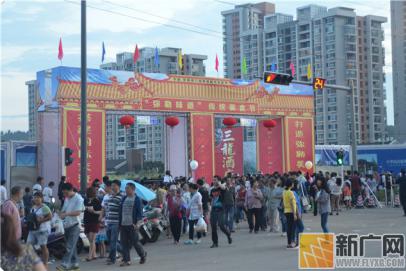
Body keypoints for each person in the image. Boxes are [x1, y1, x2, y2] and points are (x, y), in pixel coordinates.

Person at [56, 183, 85, 271]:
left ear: (71, 190)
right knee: (72, 246)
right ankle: (75, 264)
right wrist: (60, 213)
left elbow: (78, 212)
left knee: (69, 246)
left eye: (66, 193)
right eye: (64, 193)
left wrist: (66, 214)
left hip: (75, 225)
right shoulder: (67, 198)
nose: (65, 195)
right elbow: (64, 209)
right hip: (67, 224)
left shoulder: (79, 199)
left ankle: (64, 265)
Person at [118, 182, 147, 266]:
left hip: (132, 225)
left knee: (135, 242)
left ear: (133, 189)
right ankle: (127, 260)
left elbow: (139, 213)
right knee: (124, 243)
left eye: (128, 188)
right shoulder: (124, 198)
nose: (126, 190)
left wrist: (137, 223)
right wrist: (120, 223)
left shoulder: (137, 199)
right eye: (126, 188)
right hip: (123, 224)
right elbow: (121, 211)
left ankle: (142, 255)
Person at [26, 192, 52, 269]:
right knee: (28, 245)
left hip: (42, 230)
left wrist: (40, 221)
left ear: (41, 198)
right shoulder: (33, 207)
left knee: (43, 246)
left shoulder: (44, 207)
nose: (36, 199)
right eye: (35, 197)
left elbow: (50, 217)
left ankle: (45, 263)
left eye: (38, 197)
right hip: (33, 230)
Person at [103, 179, 122, 265]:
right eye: (112, 185)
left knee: (113, 241)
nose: (112, 187)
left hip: (116, 222)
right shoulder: (109, 196)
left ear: (118, 186)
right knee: (111, 241)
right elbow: (107, 209)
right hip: (109, 221)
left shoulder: (121, 196)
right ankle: (125, 252)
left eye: (114, 185)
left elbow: (122, 210)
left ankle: (112, 258)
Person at [84, 187, 102, 261]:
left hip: (94, 221)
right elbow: (83, 207)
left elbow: (101, 211)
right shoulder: (86, 200)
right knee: (89, 238)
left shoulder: (97, 200)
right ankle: (94, 254)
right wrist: (86, 208)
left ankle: (89, 256)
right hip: (87, 220)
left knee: (92, 239)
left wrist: (93, 211)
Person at [283, 179, 297, 249]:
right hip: (291, 211)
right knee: (292, 228)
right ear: (291, 185)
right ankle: (292, 242)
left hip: (286, 211)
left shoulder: (284, 192)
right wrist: (294, 214)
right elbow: (292, 203)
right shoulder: (290, 193)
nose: (293, 184)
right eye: (292, 183)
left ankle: (289, 243)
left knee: (289, 228)